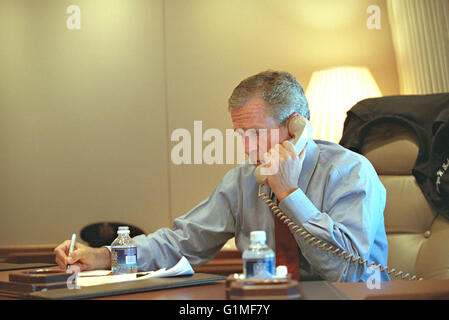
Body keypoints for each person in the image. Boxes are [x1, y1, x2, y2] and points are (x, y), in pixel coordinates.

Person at [54, 70, 389, 282]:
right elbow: (182, 242)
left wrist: (290, 195)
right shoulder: (245, 181)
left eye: (256, 134)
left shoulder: (351, 172)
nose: (247, 148)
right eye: (240, 135)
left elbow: (349, 272)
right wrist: (105, 255)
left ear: (295, 128)